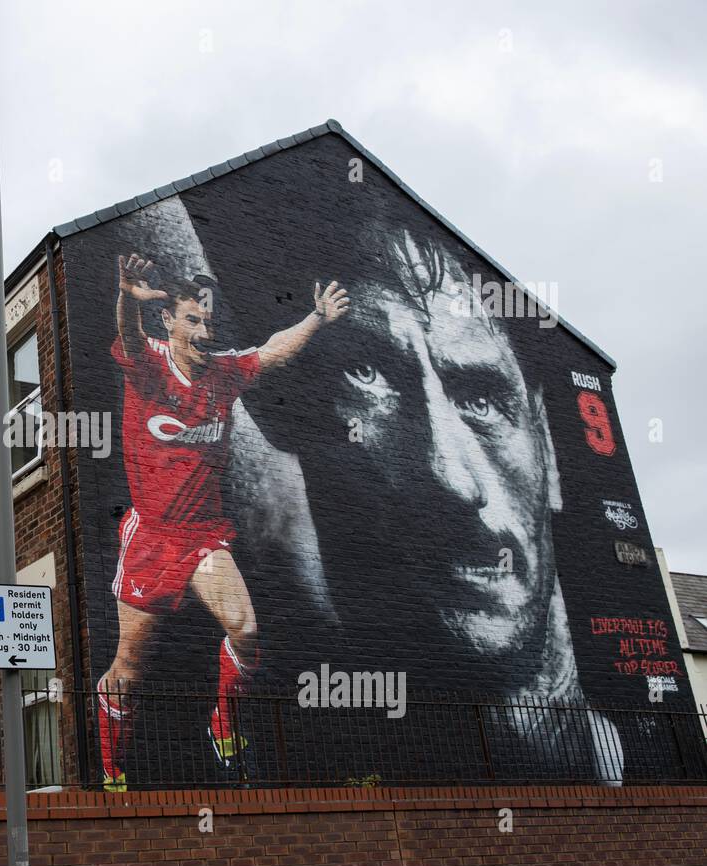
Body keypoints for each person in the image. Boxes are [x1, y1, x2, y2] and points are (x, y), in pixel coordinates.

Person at [235, 225, 624, 782]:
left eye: (482, 400)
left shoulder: (665, 760)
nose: (452, 478)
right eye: (369, 377)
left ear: (550, 454)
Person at [97, 252, 350, 790]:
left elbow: (273, 352)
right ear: (169, 320)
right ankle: (111, 771)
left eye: (207, 319)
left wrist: (316, 319)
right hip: (152, 539)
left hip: (203, 537)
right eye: (192, 318)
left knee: (247, 628)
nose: (203, 328)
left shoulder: (222, 373)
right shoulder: (148, 366)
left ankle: (222, 724)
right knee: (129, 672)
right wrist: (126, 296)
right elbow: (129, 335)